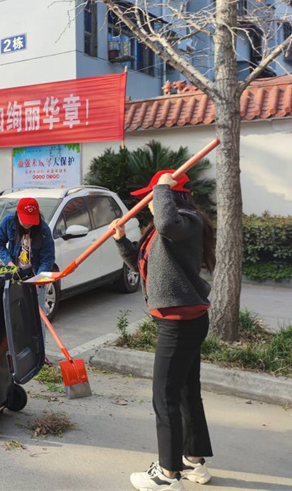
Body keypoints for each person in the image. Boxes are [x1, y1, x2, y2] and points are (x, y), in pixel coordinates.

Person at [110, 171, 215, 491]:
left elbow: (168, 222)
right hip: (181, 320)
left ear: (171, 194)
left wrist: (162, 188)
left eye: (153, 196)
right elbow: (146, 267)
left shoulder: (185, 222)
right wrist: (122, 240)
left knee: (164, 397)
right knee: (185, 392)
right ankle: (192, 460)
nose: (149, 203)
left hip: (179, 322)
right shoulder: (165, 229)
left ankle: (167, 476)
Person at [0, 197, 56, 339]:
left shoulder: (43, 229)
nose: (28, 224)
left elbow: (48, 258)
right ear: (18, 214)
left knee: (37, 316)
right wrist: (9, 262)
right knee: (15, 315)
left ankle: (40, 350)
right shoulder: (8, 222)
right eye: (25, 220)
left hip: (35, 276)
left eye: (31, 221)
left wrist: (38, 279)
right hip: (15, 275)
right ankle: (19, 349)